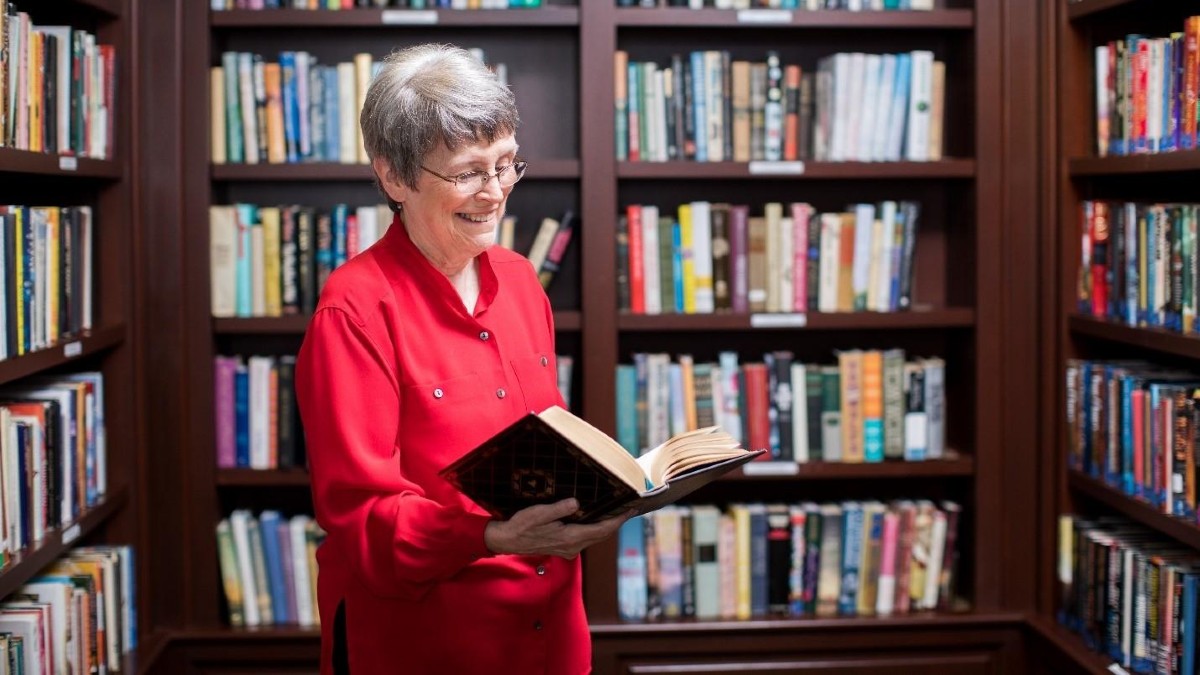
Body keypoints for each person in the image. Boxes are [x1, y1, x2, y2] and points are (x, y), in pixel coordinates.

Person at [294, 43, 630, 675]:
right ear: (394, 176)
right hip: (431, 642)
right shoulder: (354, 311)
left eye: (507, 164)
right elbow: (362, 518)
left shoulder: (522, 279)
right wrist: (492, 537)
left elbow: (543, 445)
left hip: (551, 630)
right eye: (469, 172)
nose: (497, 192)